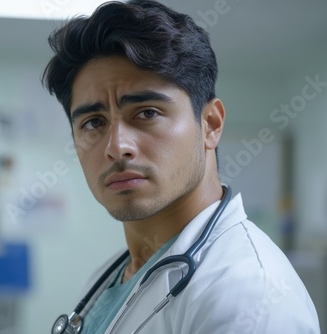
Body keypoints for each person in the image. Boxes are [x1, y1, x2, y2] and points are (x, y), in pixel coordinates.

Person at [42, 1, 320, 333]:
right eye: (93, 122)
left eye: (146, 113)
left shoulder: (251, 298)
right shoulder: (108, 278)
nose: (117, 147)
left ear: (210, 124)